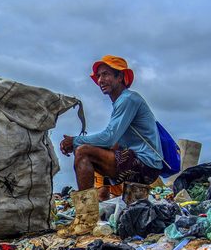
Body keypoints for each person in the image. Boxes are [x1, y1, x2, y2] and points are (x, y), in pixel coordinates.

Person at [58, 55, 163, 236]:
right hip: (143, 163)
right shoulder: (122, 102)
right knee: (134, 225)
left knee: (84, 152)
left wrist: (75, 141)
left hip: (144, 163)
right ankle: (131, 213)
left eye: (106, 74)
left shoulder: (127, 99)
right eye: (98, 76)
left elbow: (108, 137)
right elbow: (114, 143)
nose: (100, 80)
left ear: (120, 77)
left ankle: (86, 221)